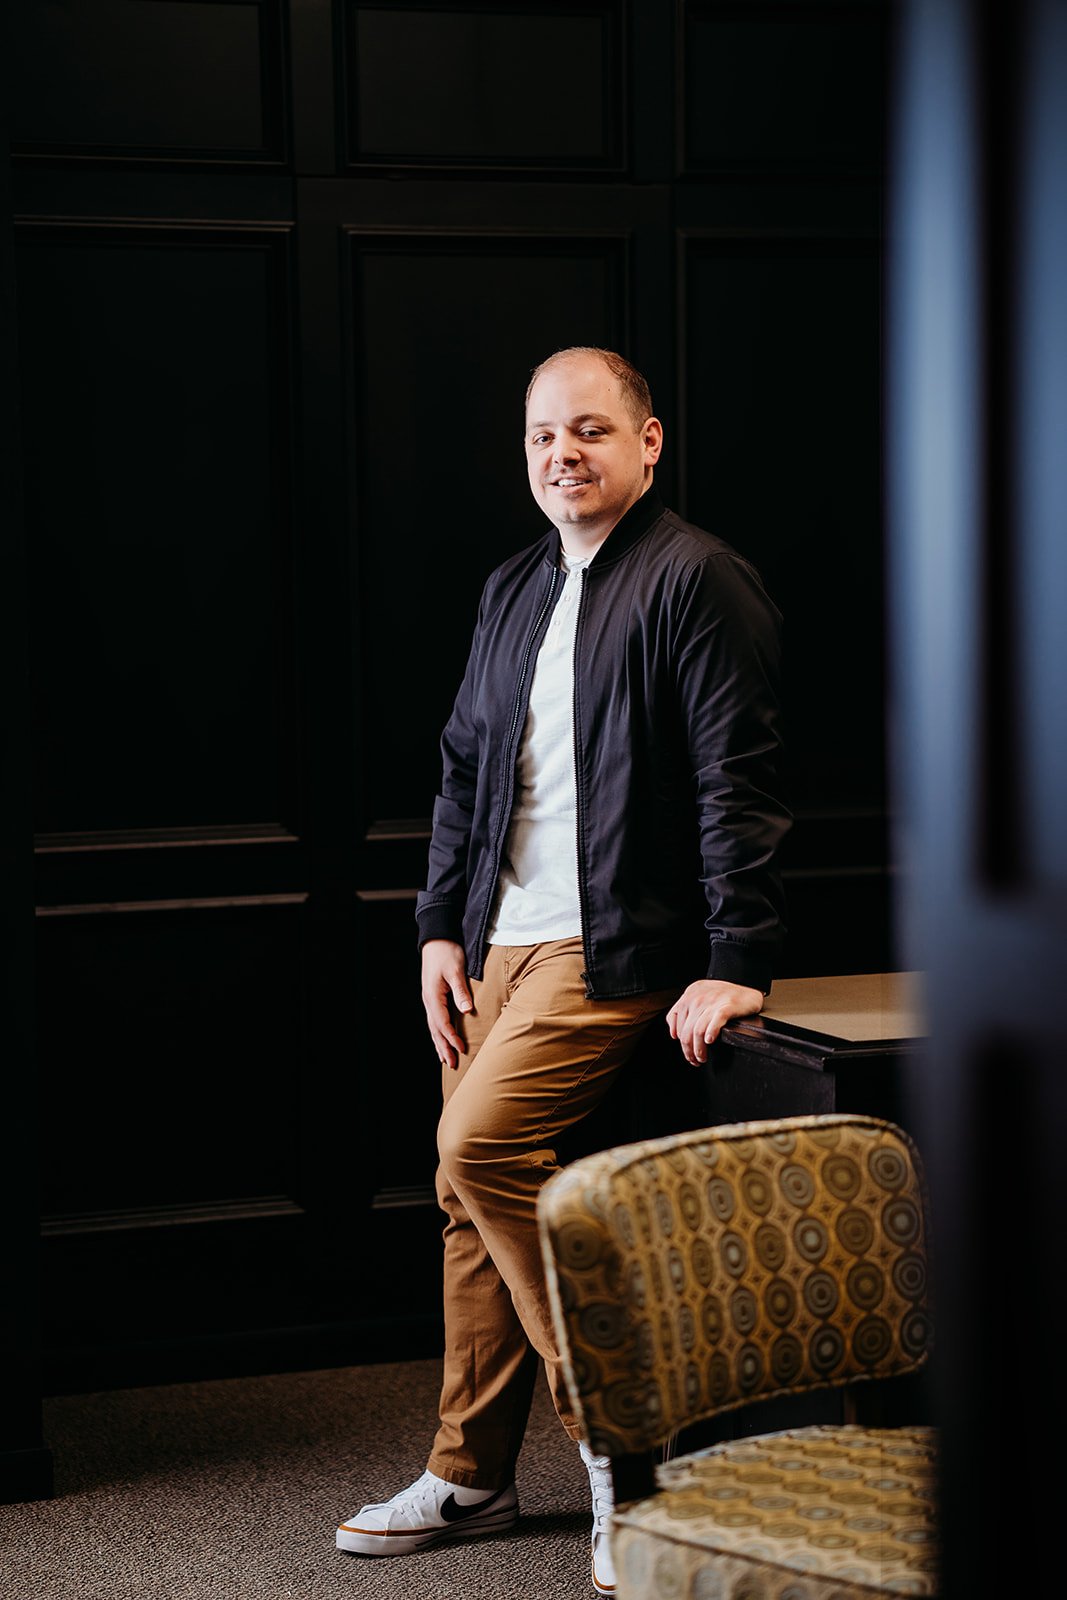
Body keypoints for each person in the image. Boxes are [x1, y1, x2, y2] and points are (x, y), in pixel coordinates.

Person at [335, 347, 790, 1595]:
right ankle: (470, 1470)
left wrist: (737, 954)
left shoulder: (695, 578)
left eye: (590, 430)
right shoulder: (515, 587)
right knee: (461, 1202)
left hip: (612, 941)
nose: (561, 454)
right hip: (498, 938)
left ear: (648, 444)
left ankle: (617, 1446)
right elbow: (462, 770)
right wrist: (440, 927)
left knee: (474, 1150)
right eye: (542, 435)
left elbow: (733, 777)